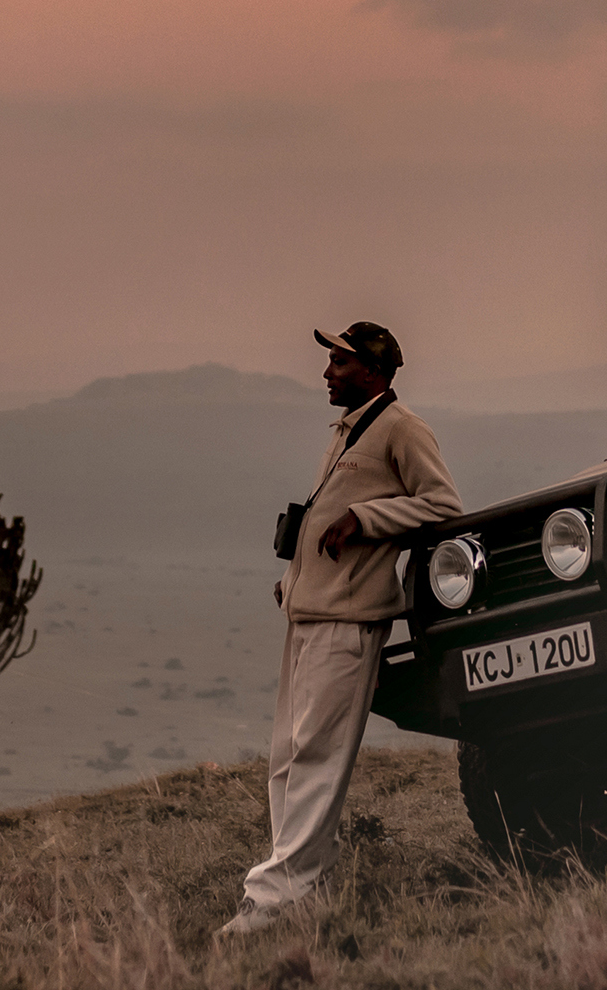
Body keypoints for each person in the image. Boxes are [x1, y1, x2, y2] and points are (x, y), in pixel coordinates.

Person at [218, 320, 461, 935]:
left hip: (349, 622)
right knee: (286, 756)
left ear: (375, 372)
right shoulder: (350, 430)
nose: (327, 373)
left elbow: (443, 506)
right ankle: (305, 878)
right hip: (309, 613)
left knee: (317, 754)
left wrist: (367, 517)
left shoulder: (403, 429)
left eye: (341, 363)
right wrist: (296, 581)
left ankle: (273, 898)